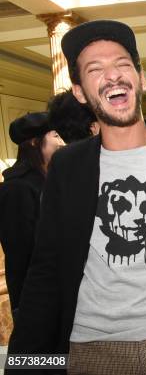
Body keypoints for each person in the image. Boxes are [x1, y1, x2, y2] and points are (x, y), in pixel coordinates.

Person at [7, 20, 146, 375]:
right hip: (90, 350)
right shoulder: (68, 166)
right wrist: (23, 362)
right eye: (95, 69)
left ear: (141, 79)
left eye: (122, 64)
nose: (112, 76)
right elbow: (47, 265)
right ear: (80, 92)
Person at [0, 112, 65, 312]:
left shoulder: (51, 180)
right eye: (56, 136)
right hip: (35, 298)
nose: (62, 142)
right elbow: (22, 250)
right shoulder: (17, 187)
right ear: (35, 142)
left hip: (57, 289)